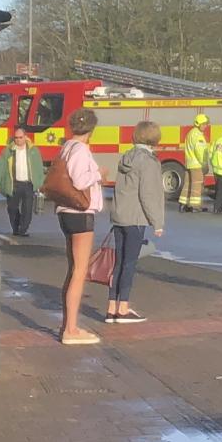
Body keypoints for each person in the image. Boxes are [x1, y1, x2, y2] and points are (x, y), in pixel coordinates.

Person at [104, 120, 167, 325]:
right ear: (154, 137)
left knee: (119, 262)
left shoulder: (127, 157)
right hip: (135, 217)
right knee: (130, 263)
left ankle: (112, 306)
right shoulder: (148, 162)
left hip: (120, 216)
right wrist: (157, 222)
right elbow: (148, 194)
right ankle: (123, 308)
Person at [56, 108, 106, 345]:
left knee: (72, 269)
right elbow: (79, 180)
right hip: (80, 212)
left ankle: (68, 325)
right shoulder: (81, 150)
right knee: (79, 271)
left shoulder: (66, 147)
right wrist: (98, 173)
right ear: (91, 130)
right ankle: (71, 330)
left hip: (66, 211)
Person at [0, 125, 39, 236]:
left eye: (20, 137)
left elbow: (38, 168)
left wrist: (40, 184)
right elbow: (0, 166)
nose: (18, 140)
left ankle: (23, 229)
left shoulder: (33, 151)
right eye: (16, 138)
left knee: (27, 210)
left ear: (25, 137)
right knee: (12, 208)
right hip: (14, 184)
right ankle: (16, 228)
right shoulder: (8, 151)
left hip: (28, 184)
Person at [180, 113, 212, 215]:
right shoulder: (197, 135)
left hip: (189, 163)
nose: (206, 126)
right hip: (196, 164)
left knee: (187, 184)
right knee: (197, 185)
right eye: (204, 124)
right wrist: (204, 163)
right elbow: (200, 151)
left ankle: (183, 204)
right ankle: (194, 206)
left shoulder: (190, 133)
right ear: (199, 124)